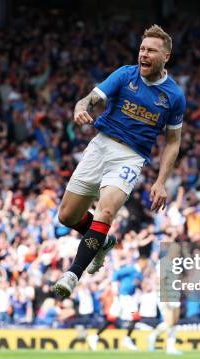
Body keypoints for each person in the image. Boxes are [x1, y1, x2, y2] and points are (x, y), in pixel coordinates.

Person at [54, 24, 186, 297]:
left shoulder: (174, 96)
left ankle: (72, 275)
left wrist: (161, 182)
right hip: (100, 146)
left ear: (166, 57)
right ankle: (102, 242)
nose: (144, 54)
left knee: (105, 213)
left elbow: (173, 142)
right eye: (142, 49)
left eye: (151, 50)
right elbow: (92, 99)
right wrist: (80, 106)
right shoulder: (125, 75)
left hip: (130, 157)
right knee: (67, 216)